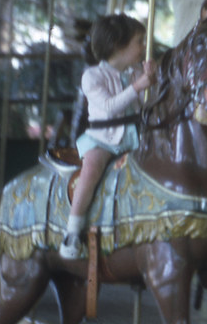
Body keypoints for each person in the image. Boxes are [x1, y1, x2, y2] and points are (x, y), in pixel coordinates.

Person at [60, 14, 156, 259]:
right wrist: (138, 87)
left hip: (133, 136)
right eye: (139, 41)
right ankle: (72, 232)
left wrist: (150, 83)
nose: (144, 47)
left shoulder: (134, 72)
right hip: (103, 137)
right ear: (118, 46)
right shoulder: (92, 76)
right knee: (91, 170)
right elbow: (111, 106)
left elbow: (145, 104)